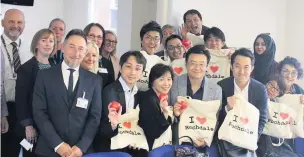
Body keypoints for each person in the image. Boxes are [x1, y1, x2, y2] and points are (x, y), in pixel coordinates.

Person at [32, 29, 102, 157]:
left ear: (85, 52)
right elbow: (39, 112)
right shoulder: (44, 76)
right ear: (62, 47)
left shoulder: (94, 80)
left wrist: (81, 147)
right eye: (72, 47)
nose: (76, 53)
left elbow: (95, 118)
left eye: (81, 49)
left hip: (80, 152)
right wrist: (58, 145)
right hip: (48, 150)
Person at [169, 45, 222, 156]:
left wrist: (206, 140)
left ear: (207, 66)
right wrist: (175, 113)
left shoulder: (216, 90)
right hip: (178, 138)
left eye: (201, 64)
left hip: (203, 140)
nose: (197, 68)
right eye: (193, 63)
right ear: (186, 64)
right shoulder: (174, 83)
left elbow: (215, 119)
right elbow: (167, 112)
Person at [94, 51, 148, 156]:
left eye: (137, 69)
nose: (133, 72)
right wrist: (113, 124)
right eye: (128, 67)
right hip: (111, 145)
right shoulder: (110, 91)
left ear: (142, 72)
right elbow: (103, 128)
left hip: (132, 145)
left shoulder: (141, 95)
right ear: (120, 67)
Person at [217, 48, 268, 157]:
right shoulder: (221, 86)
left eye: (246, 67)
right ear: (231, 67)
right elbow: (216, 116)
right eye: (237, 66)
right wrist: (227, 109)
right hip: (226, 140)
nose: (241, 71)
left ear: (252, 68)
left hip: (249, 139)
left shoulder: (260, 89)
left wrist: (252, 139)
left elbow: (262, 118)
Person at [15, 28, 57, 157]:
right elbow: (21, 100)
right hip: (33, 127)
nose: (48, 44)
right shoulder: (26, 68)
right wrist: (28, 126)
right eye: (44, 40)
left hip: (51, 127)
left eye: (51, 41)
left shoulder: (56, 68)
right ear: (36, 44)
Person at [1, 8, 32, 157]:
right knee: (6, 150)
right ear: (2, 23)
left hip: (22, 110)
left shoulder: (28, 48)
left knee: (24, 149)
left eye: (19, 22)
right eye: (11, 21)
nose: (16, 25)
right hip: (3, 108)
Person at [256, 75, 304, 157]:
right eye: (271, 85)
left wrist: (288, 123)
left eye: (277, 89)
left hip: (277, 143)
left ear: (279, 94)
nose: (272, 90)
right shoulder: (254, 96)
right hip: (261, 142)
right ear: (265, 83)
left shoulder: (277, 105)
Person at [138, 63, 174, 151]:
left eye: (169, 79)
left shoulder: (157, 97)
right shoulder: (149, 99)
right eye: (161, 79)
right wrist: (165, 112)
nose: (166, 83)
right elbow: (153, 132)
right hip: (149, 150)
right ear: (152, 81)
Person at [137, 21, 164, 91]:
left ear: (160, 42)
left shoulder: (161, 63)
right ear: (141, 40)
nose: (152, 42)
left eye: (156, 38)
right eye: (148, 37)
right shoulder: (132, 58)